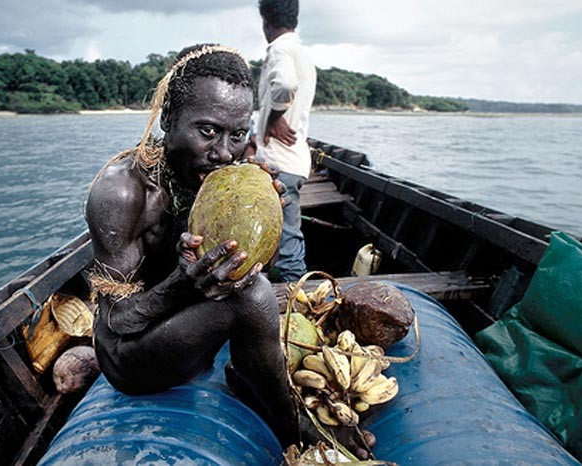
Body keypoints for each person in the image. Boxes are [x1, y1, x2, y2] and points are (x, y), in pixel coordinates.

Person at [84, 43, 373, 458]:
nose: (222, 153)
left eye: (237, 135)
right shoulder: (122, 192)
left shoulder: (225, 179)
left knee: (253, 288)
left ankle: (248, 375)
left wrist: (266, 216)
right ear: (169, 119)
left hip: (188, 334)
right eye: (207, 132)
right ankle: (294, 425)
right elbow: (117, 323)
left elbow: (256, 267)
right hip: (130, 358)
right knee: (252, 299)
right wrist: (183, 284)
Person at [251, 0, 317, 283]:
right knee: (284, 233)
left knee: (288, 243)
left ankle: (295, 301)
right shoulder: (301, 52)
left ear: (266, 21)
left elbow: (285, 85)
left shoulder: (279, 49)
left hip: (281, 163)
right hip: (294, 159)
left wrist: (276, 116)